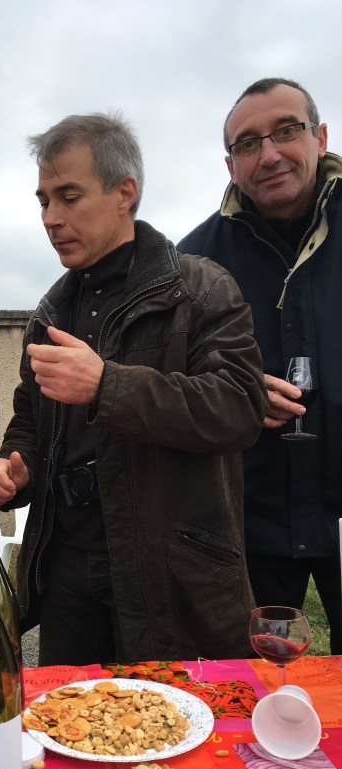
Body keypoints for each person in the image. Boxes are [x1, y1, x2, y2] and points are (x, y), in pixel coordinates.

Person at [0, 112, 266, 666]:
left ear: (124, 192)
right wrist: (15, 467)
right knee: (71, 718)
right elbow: (29, 420)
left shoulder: (201, 289)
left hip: (171, 574)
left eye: (69, 197)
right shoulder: (49, 313)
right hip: (67, 573)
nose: (51, 218)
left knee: (179, 717)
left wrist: (106, 385)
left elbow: (239, 406)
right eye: (44, 201)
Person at [179, 78, 342, 654]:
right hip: (251, 520)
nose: (269, 154)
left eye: (286, 131)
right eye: (248, 143)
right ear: (230, 165)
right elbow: (170, 379)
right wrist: (234, 395)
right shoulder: (192, 261)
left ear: (320, 138)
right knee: (254, 680)